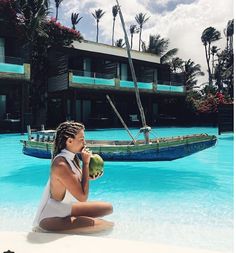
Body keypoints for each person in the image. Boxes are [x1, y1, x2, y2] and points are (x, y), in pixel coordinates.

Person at [33, 121, 113, 233]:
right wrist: (85, 163)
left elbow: (72, 182)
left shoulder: (72, 158)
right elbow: (82, 197)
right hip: (52, 217)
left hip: (65, 208)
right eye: (81, 140)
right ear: (70, 141)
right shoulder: (61, 164)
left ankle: (76, 222)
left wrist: (89, 177)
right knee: (106, 226)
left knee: (108, 208)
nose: (85, 143)